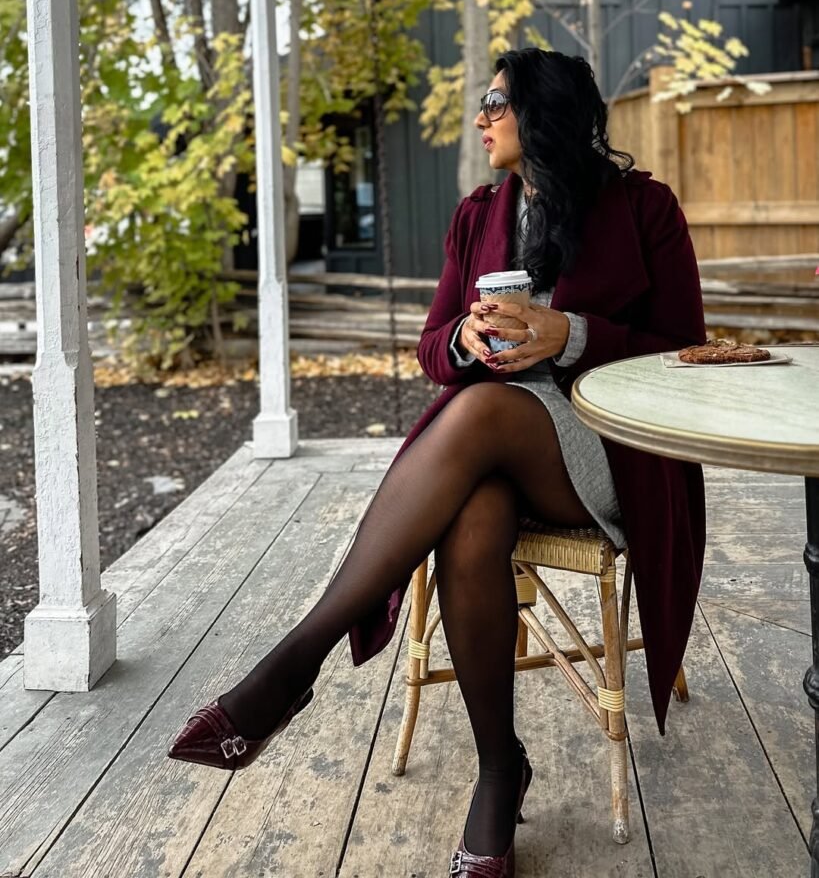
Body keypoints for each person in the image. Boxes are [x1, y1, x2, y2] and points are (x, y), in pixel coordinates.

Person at [169, 48, 707, 877]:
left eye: (494, 101)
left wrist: (576, 335)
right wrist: (461, 338)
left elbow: (684, 354)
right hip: (493, 446)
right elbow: (430, 348)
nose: (479, 117)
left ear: (544, 111)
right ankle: (499, 771)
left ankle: (293, 662)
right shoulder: (476, 214)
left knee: (483, 411)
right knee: (473, 514)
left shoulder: (643, 208)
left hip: (609, 451)